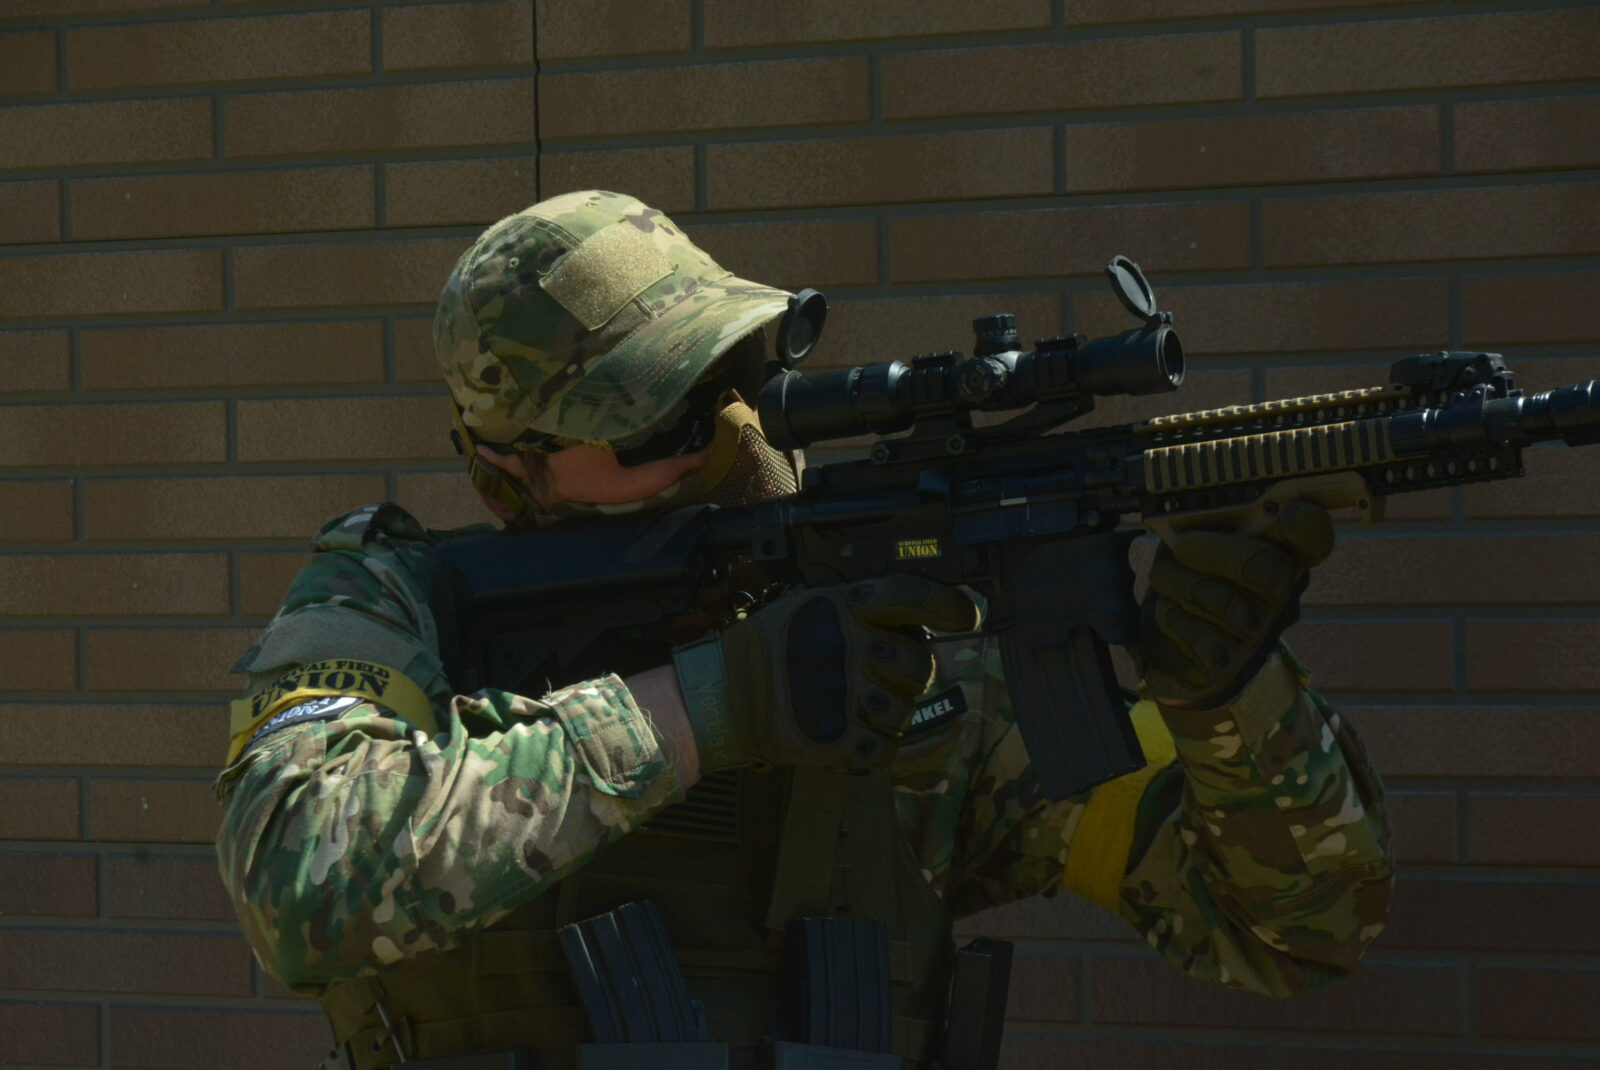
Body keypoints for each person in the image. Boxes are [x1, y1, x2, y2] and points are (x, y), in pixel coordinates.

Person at [214, 190, 1393, 1070]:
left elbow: (1298, 926)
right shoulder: (398, 607)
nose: (720, 441)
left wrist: (1225, 692)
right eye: (652, 423)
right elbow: (299, 880)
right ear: (503, 469)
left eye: (727, 385)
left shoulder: (909, 680)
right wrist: (708, 706)